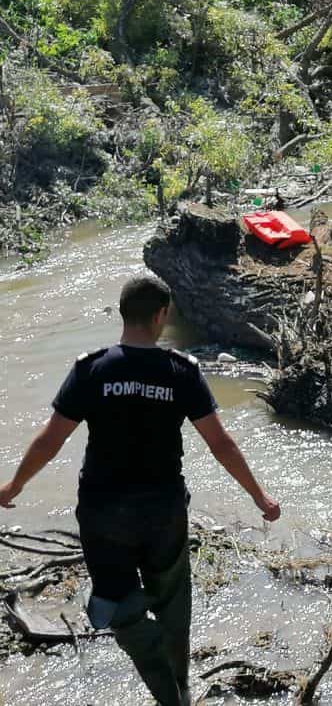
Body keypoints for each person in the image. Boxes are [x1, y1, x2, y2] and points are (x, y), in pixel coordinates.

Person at [0, 276, 280, 706]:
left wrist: (14, 485)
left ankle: (163, 681)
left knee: (115, 600)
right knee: (172, 603)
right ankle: (180, 690)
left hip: (102, 513)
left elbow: (49, 441)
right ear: (161, 316)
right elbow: (220, 443)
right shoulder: (180, 372)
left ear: (122, 313)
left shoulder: (91, 369)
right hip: (163, 511)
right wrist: (259, 497)